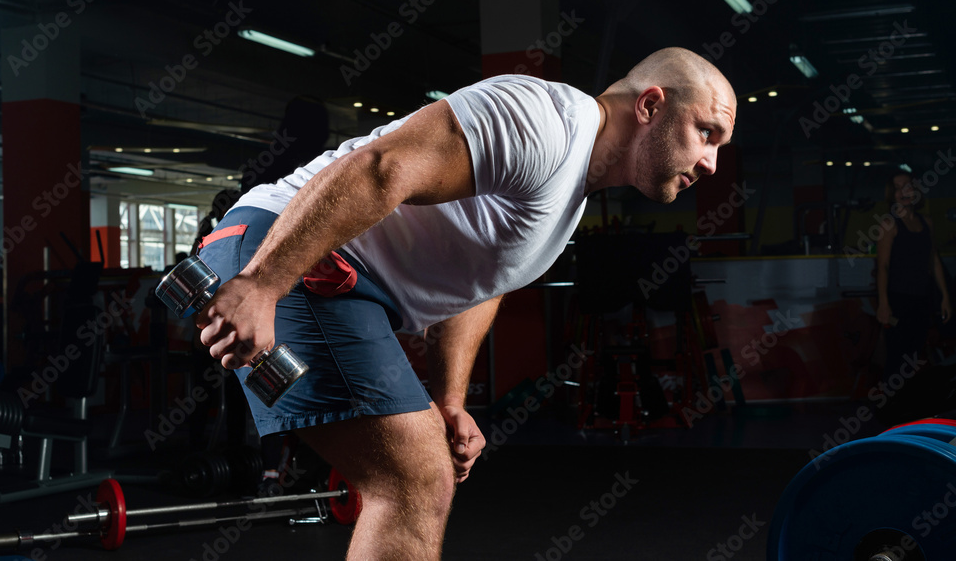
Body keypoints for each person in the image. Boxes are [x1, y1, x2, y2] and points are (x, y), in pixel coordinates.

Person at [194, 47, 736, 560]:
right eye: (705, 133)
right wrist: (261, 283)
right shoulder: (547, 121)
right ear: (650, 105)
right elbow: (382, 166)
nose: (711, 162)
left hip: (331, 279)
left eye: (719, 146)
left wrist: (449, 400)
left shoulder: (569, 193)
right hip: (285, 250)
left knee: (421, 474)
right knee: (413, 479)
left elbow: (478, 281)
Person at [876, 169, 952, 378]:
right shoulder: (889, 224)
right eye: (898, 188)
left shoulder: (926, 222)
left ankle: (909, 405)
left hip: (923, 297)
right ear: (892, 194)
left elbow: (934, 260)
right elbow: (882, 266)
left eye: (907, 186)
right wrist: (883, 302)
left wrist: (945, 297)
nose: (904, 192)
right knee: (897, 354)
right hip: (898, 299)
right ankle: (888, 406)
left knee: (915, 353)